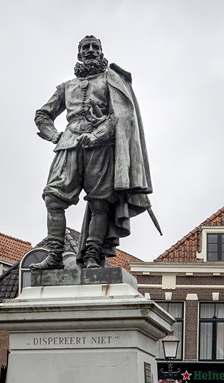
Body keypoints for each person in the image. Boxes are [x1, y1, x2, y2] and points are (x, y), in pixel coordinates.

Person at [31, 34, 153, 270]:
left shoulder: (111, 81)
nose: (90, 50)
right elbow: (42, 115)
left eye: (94, 47)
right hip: (68, 145)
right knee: (53, 198)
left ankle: (92, 254)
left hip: (101, 148)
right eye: (85, 47)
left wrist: (97, 135)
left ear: (101, 52)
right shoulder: (66, 87)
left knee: (100, 203)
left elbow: (120, 116)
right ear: (79, 54)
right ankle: (55, 254)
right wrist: (55, 136)